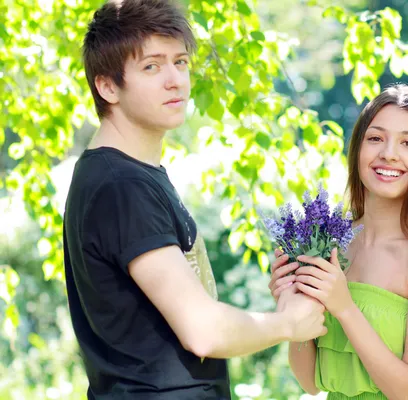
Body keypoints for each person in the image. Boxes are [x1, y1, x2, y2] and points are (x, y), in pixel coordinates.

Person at [63, 0, 326, 398]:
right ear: (107, 86)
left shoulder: (131, 175)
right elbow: (202, 330)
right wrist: (289, 323)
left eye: (181, 62)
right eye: (152, 66)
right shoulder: (120, 185)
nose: (175, 80)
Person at [269, 84, 408, 399]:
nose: (389, 153)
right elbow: (311, 381)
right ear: (357, 148)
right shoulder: (330, 246)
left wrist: (344, 307)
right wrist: (291, 305)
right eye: (376, 138)